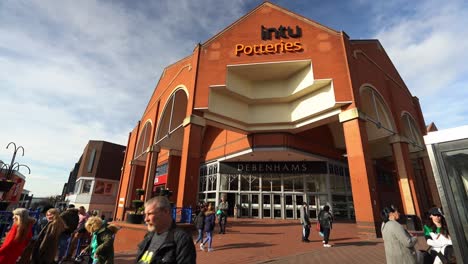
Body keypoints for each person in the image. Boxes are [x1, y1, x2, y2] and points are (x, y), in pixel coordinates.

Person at [136, 196, 196, 263]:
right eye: (145, 215)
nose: (146, 219)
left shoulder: (181, 239)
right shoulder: (149, 236)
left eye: (150, 214)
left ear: (165, 212)